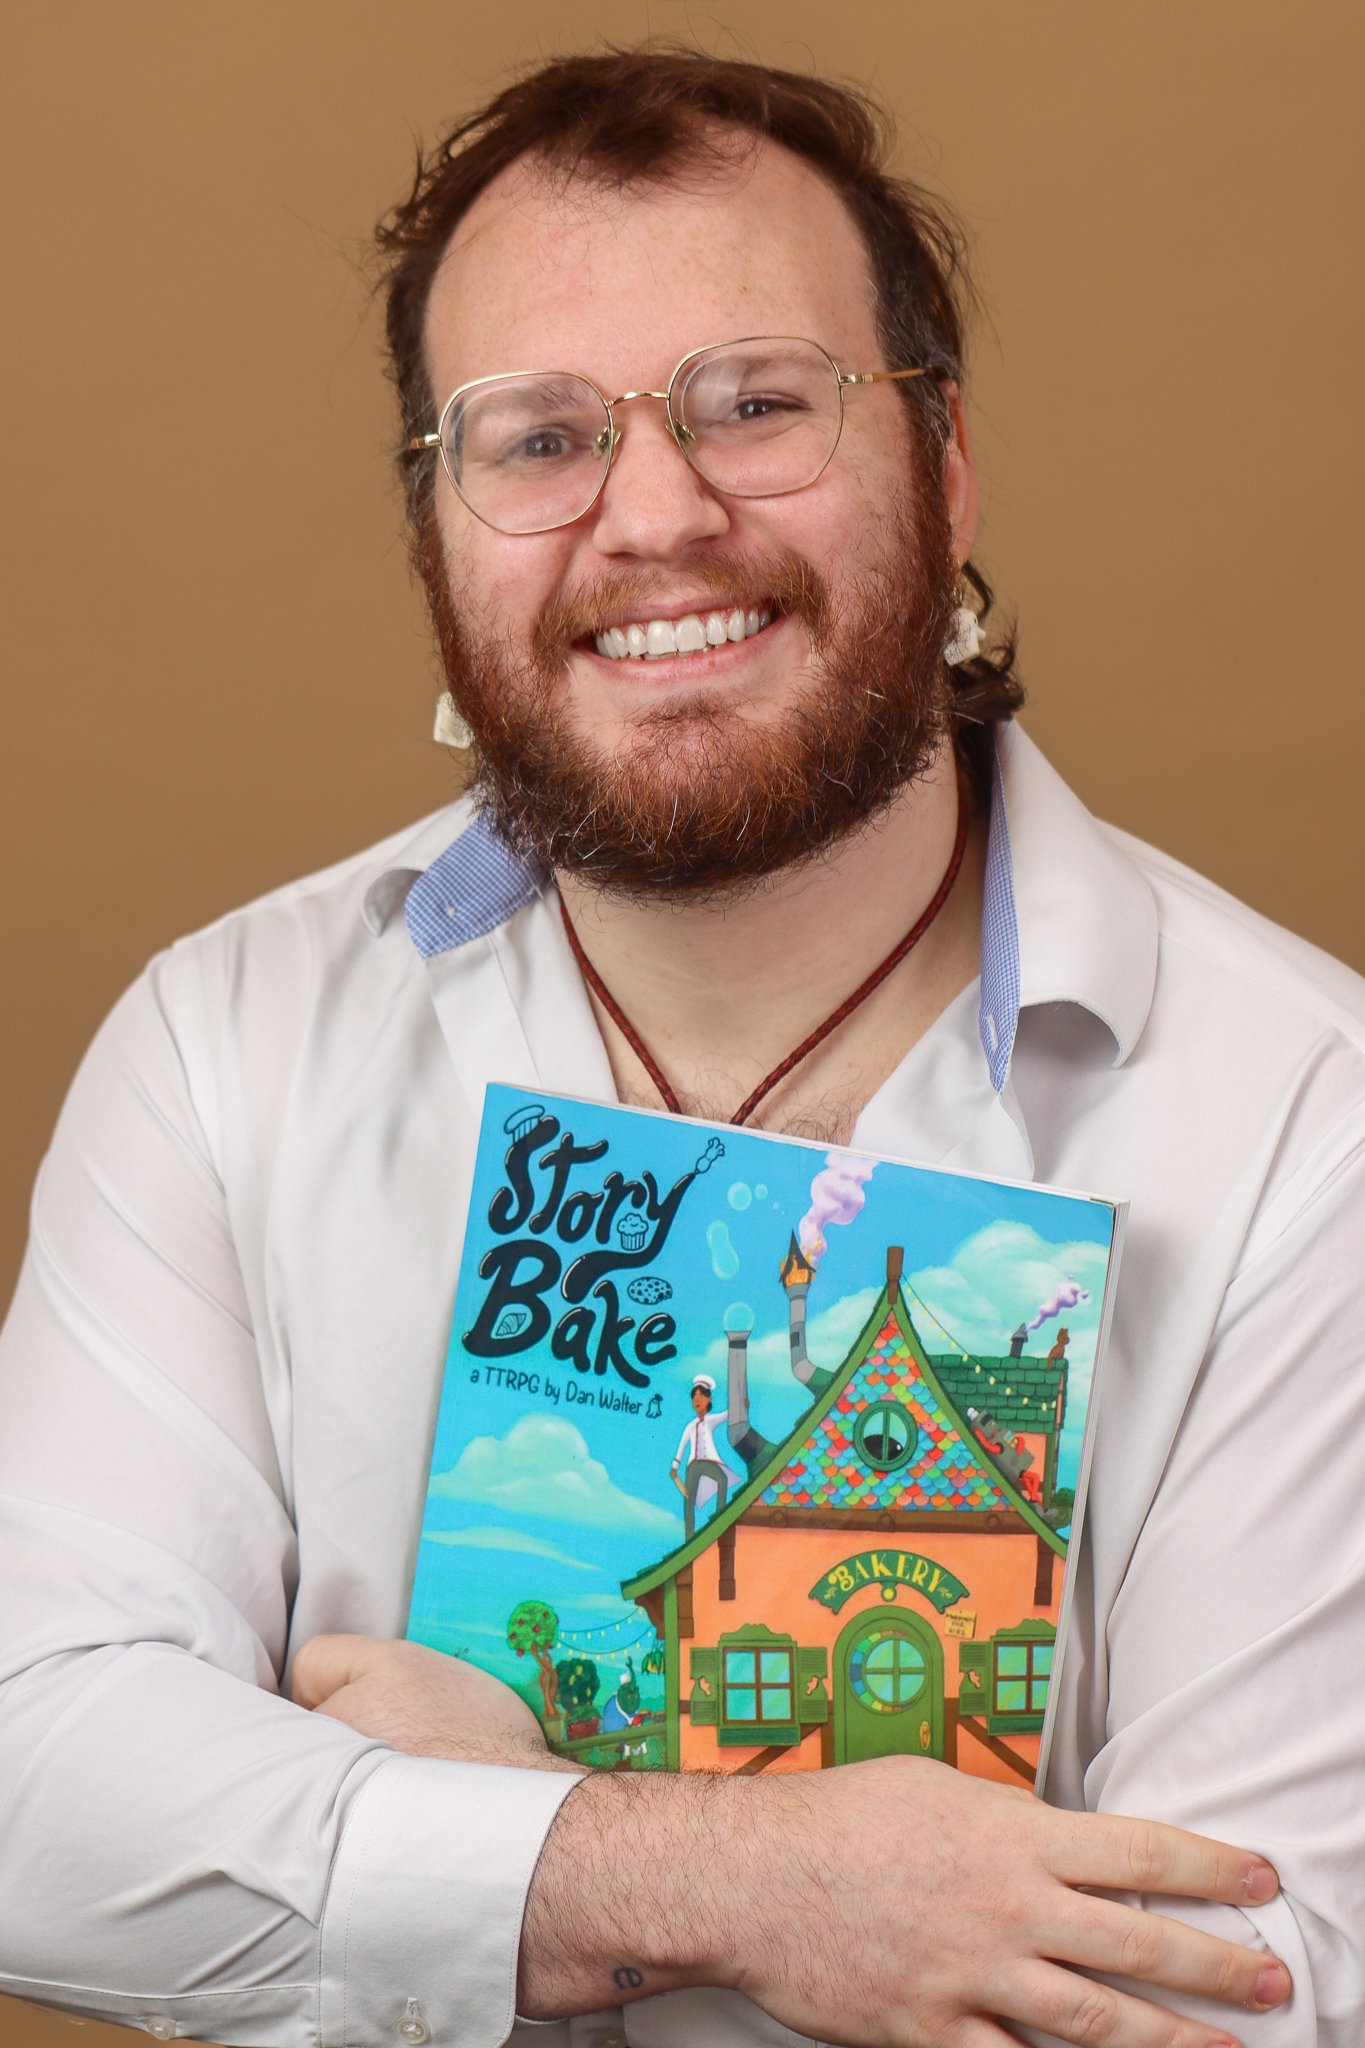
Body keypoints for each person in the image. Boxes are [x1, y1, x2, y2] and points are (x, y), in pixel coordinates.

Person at [1, 43, 1362, 2048]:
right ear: (436, 528)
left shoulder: (1302, 1123)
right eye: (535, 439)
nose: (654, 512)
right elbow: (31, 1788)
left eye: (755, 403)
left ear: (945, 464)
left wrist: (426, 1831)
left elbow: (1257, 1997)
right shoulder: (225, 1047)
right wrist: (663, 1866)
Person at [670, 1373, 739, 1539]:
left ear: (708, 1399)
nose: (697, 1400)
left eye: (701, 1396)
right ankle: (689, 1538)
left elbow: (726, 1415)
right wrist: (674, 1467)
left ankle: (719, 1519)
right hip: (693, 1466)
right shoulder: (690, 1426)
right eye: (694, 1396)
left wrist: (741, 1406)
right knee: (689, 1500)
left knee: (722, 1479)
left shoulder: (710, 1420)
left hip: (709, 1462)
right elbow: (682, 1445)